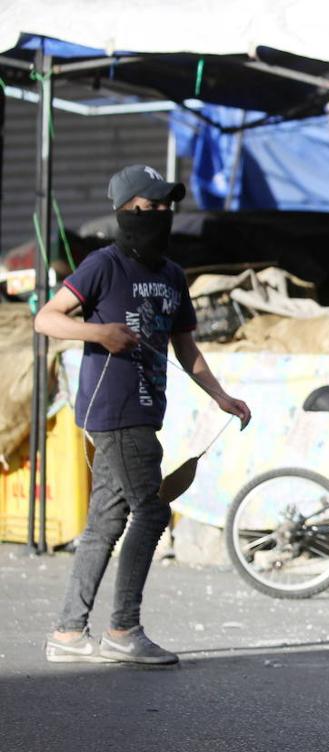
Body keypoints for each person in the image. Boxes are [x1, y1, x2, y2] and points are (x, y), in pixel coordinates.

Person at [36, 164, 251, 665]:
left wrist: (220, 395)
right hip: (113, 406)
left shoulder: (173, 275)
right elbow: (47, 318)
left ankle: (68, 634)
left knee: (106, 522)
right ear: (125, 212)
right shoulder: (102, 265)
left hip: (147, 407)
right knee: (152, 510)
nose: (159, 215)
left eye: (164, 207)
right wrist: (100, 333)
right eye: (148, 208)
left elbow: (186, 347)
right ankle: (123, 629)